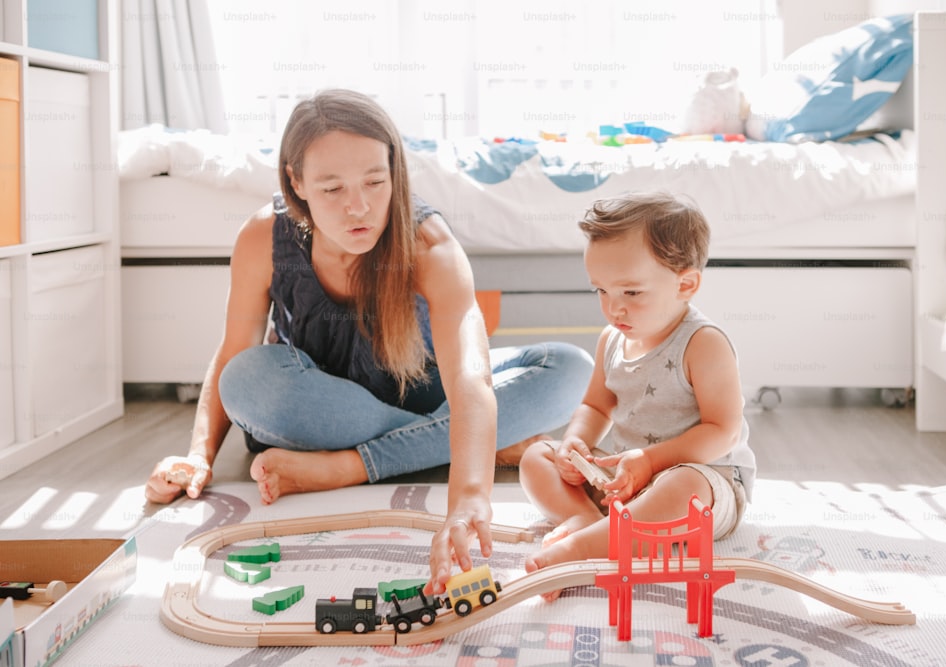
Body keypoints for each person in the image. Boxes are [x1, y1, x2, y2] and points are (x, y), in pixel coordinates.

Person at [144, 89, 594, 593]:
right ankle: (451, 442)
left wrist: (469, 498)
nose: (358, 207)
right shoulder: (262, 236)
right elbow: (233, 350)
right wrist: (199, 455)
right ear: (296, 180)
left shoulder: (431, 245)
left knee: (571, 368)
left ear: (394, 171)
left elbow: (469, 379)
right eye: (332, 188)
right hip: (326, 408)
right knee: (245, 379)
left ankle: (349, 467)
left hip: (427, 390)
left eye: (375, 182)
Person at [518, 191, 756, 598]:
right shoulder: (611, 340)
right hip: (625, 481)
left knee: (684, 489)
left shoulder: (703, 343)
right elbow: (596, 405)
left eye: (630, 292)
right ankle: (588, 522)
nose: (614, 309)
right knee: (536, 457)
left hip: (702, 478)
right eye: (602, 291)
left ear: (685, 283)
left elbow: (724, 431)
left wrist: (650, 461)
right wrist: (577, 443)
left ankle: (584, 548)